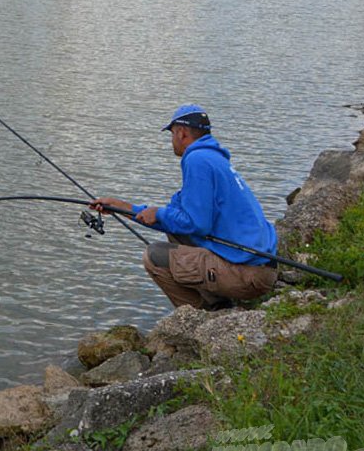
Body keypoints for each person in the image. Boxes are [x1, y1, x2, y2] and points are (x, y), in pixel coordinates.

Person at [92, 105, 279, 310]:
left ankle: (206, 316)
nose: (172, 140)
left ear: (181, 132)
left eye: (172, 134)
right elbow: (174, 219)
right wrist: (122, 207)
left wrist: (160, 213)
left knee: (154, 256)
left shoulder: (196, 160)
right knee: (176, 234)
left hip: (248, 274)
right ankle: (218, 303)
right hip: (262, 267)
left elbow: (198, 224)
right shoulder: (213, 158)